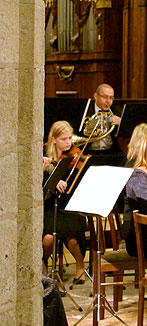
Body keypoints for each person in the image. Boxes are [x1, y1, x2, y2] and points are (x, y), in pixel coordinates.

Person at [42, 121, 87, 283]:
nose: (68, 143)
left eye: (70, 138)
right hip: (48, 207)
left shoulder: (72, 158)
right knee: (48, 238)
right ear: (53, 139)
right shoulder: (44, 157)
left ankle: (80, 266)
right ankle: (43, 265)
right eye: (64, 139)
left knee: (73, 238)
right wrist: (49, 176)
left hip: (69, 207)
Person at [86, 83, 123, 163]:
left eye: (111, 98)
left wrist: (121, 122)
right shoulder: (85, 111)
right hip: (88, 152)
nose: (108, 101)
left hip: (111, 152)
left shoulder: (117, 111)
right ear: (96, 96)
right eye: (105, 97)